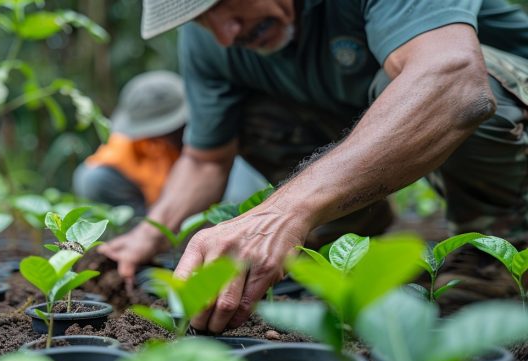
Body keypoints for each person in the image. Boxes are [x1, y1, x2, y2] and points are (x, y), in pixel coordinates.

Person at [99, 0, 528, 333]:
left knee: (436, 84)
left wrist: (284, 211)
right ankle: (352, 250)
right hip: (369, 122)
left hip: (500, 104)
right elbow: (205, 158)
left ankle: (495, 253)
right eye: (202, 20)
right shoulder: (214, 42)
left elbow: (454, 84)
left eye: (224, 5)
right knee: (244, 111)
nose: (225, 35)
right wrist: (150, 234)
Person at [74, 70, 266, 216]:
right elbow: (93, 174)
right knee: (92, 179)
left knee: (239, 192)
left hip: (214, 207)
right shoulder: (128, 144)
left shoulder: (216, 126)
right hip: (155, 210)